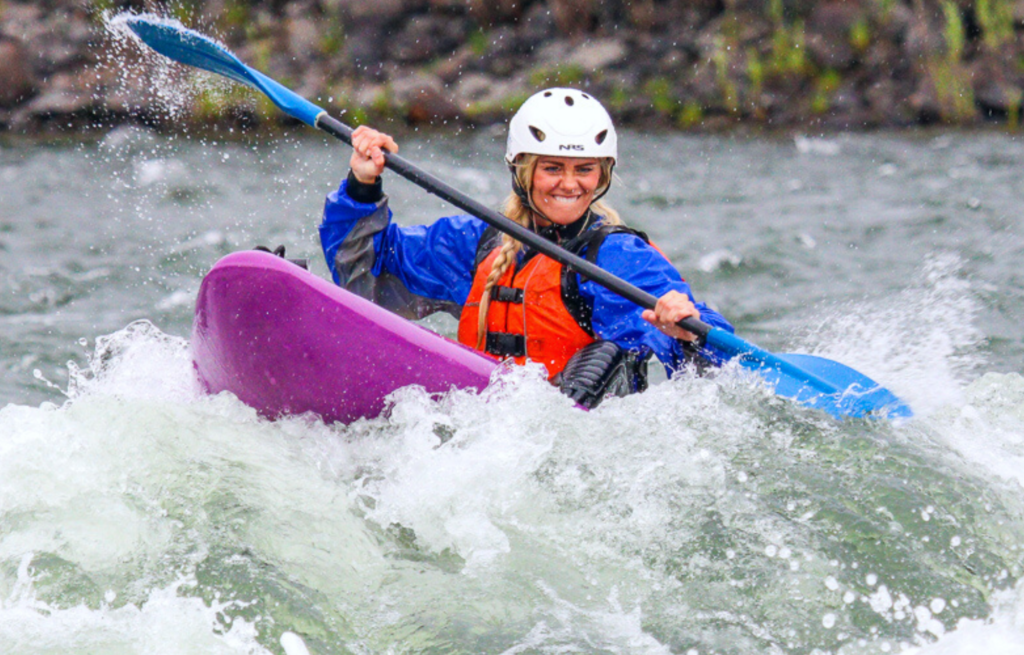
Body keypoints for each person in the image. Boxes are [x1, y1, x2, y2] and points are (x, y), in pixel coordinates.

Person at [318, 88, 734, 407]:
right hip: (488, 434)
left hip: (581, 441)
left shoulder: (616, 256)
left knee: (607, 357)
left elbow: (713, 346)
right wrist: (363, 184)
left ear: (602, 174)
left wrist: (684, 332)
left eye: (584, 170)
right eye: (552, 168)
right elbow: (366, 272)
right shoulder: (477, 244)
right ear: (521, 170)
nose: (570, 184)